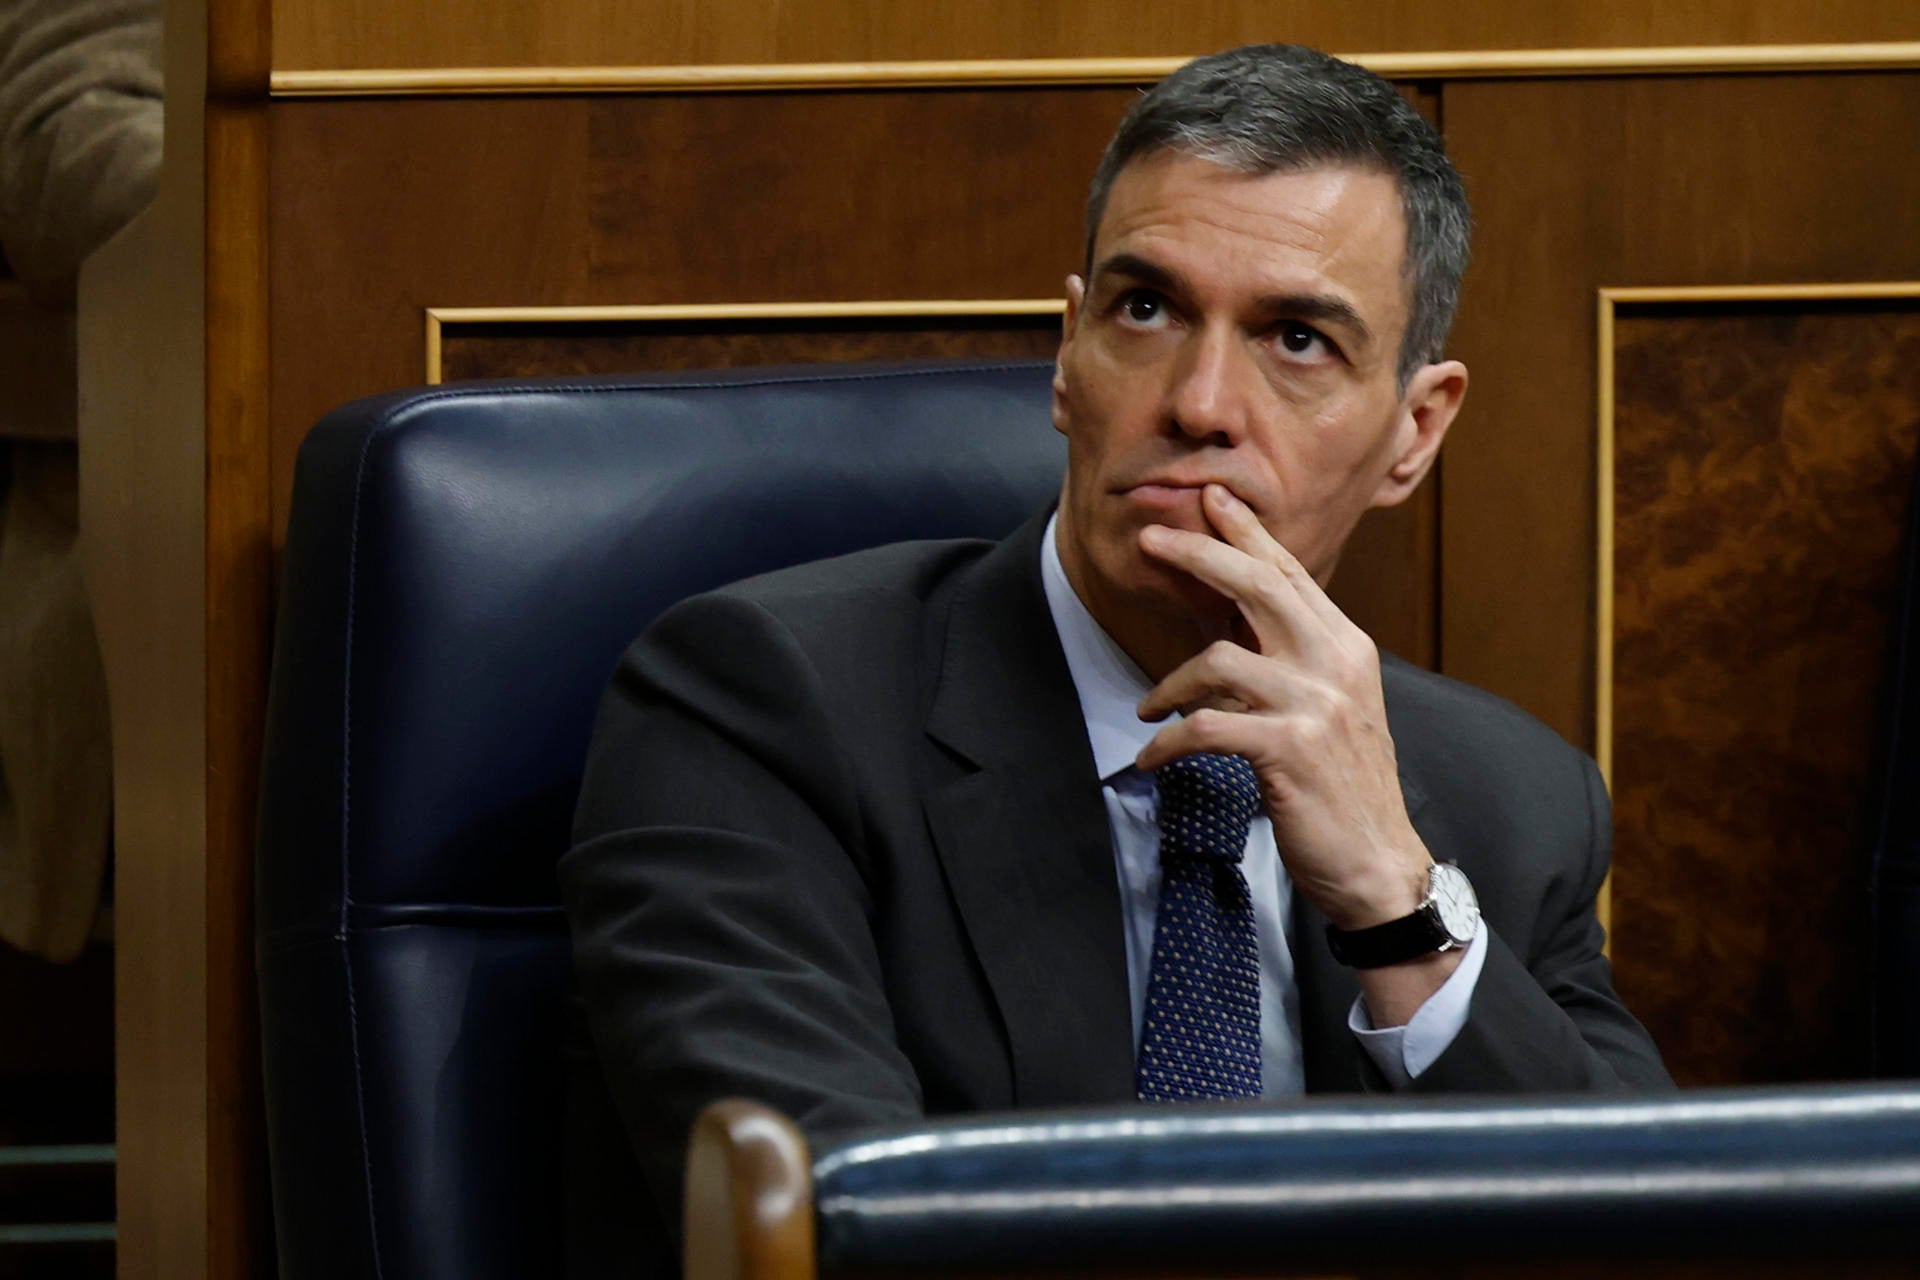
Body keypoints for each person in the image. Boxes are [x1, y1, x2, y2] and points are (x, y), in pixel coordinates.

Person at [561, 42, 1670, 1272]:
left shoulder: (1509, 800)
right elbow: (834, 1234)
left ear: (1415, 430)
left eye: (1297, 339)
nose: (1199, 400)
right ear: (1067, 355)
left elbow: (1622, 1229)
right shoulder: (765, 706)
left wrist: (1400, 910)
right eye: (1147, 309)